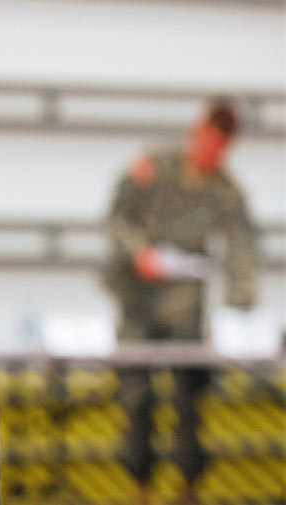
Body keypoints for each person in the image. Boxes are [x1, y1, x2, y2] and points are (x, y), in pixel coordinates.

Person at [104, 99, 257, 504]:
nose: (211, 153)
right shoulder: (154, 167)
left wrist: (243, 300)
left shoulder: (225, 189)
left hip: (185, 303)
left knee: (189, 394)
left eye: (219, 147)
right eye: (208, 142)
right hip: (138, 297)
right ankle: (140, 487)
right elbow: (117, 218)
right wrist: (140, 252)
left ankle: (188, 487)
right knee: (137, 396)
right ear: (197, 132)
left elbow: (242, 242)